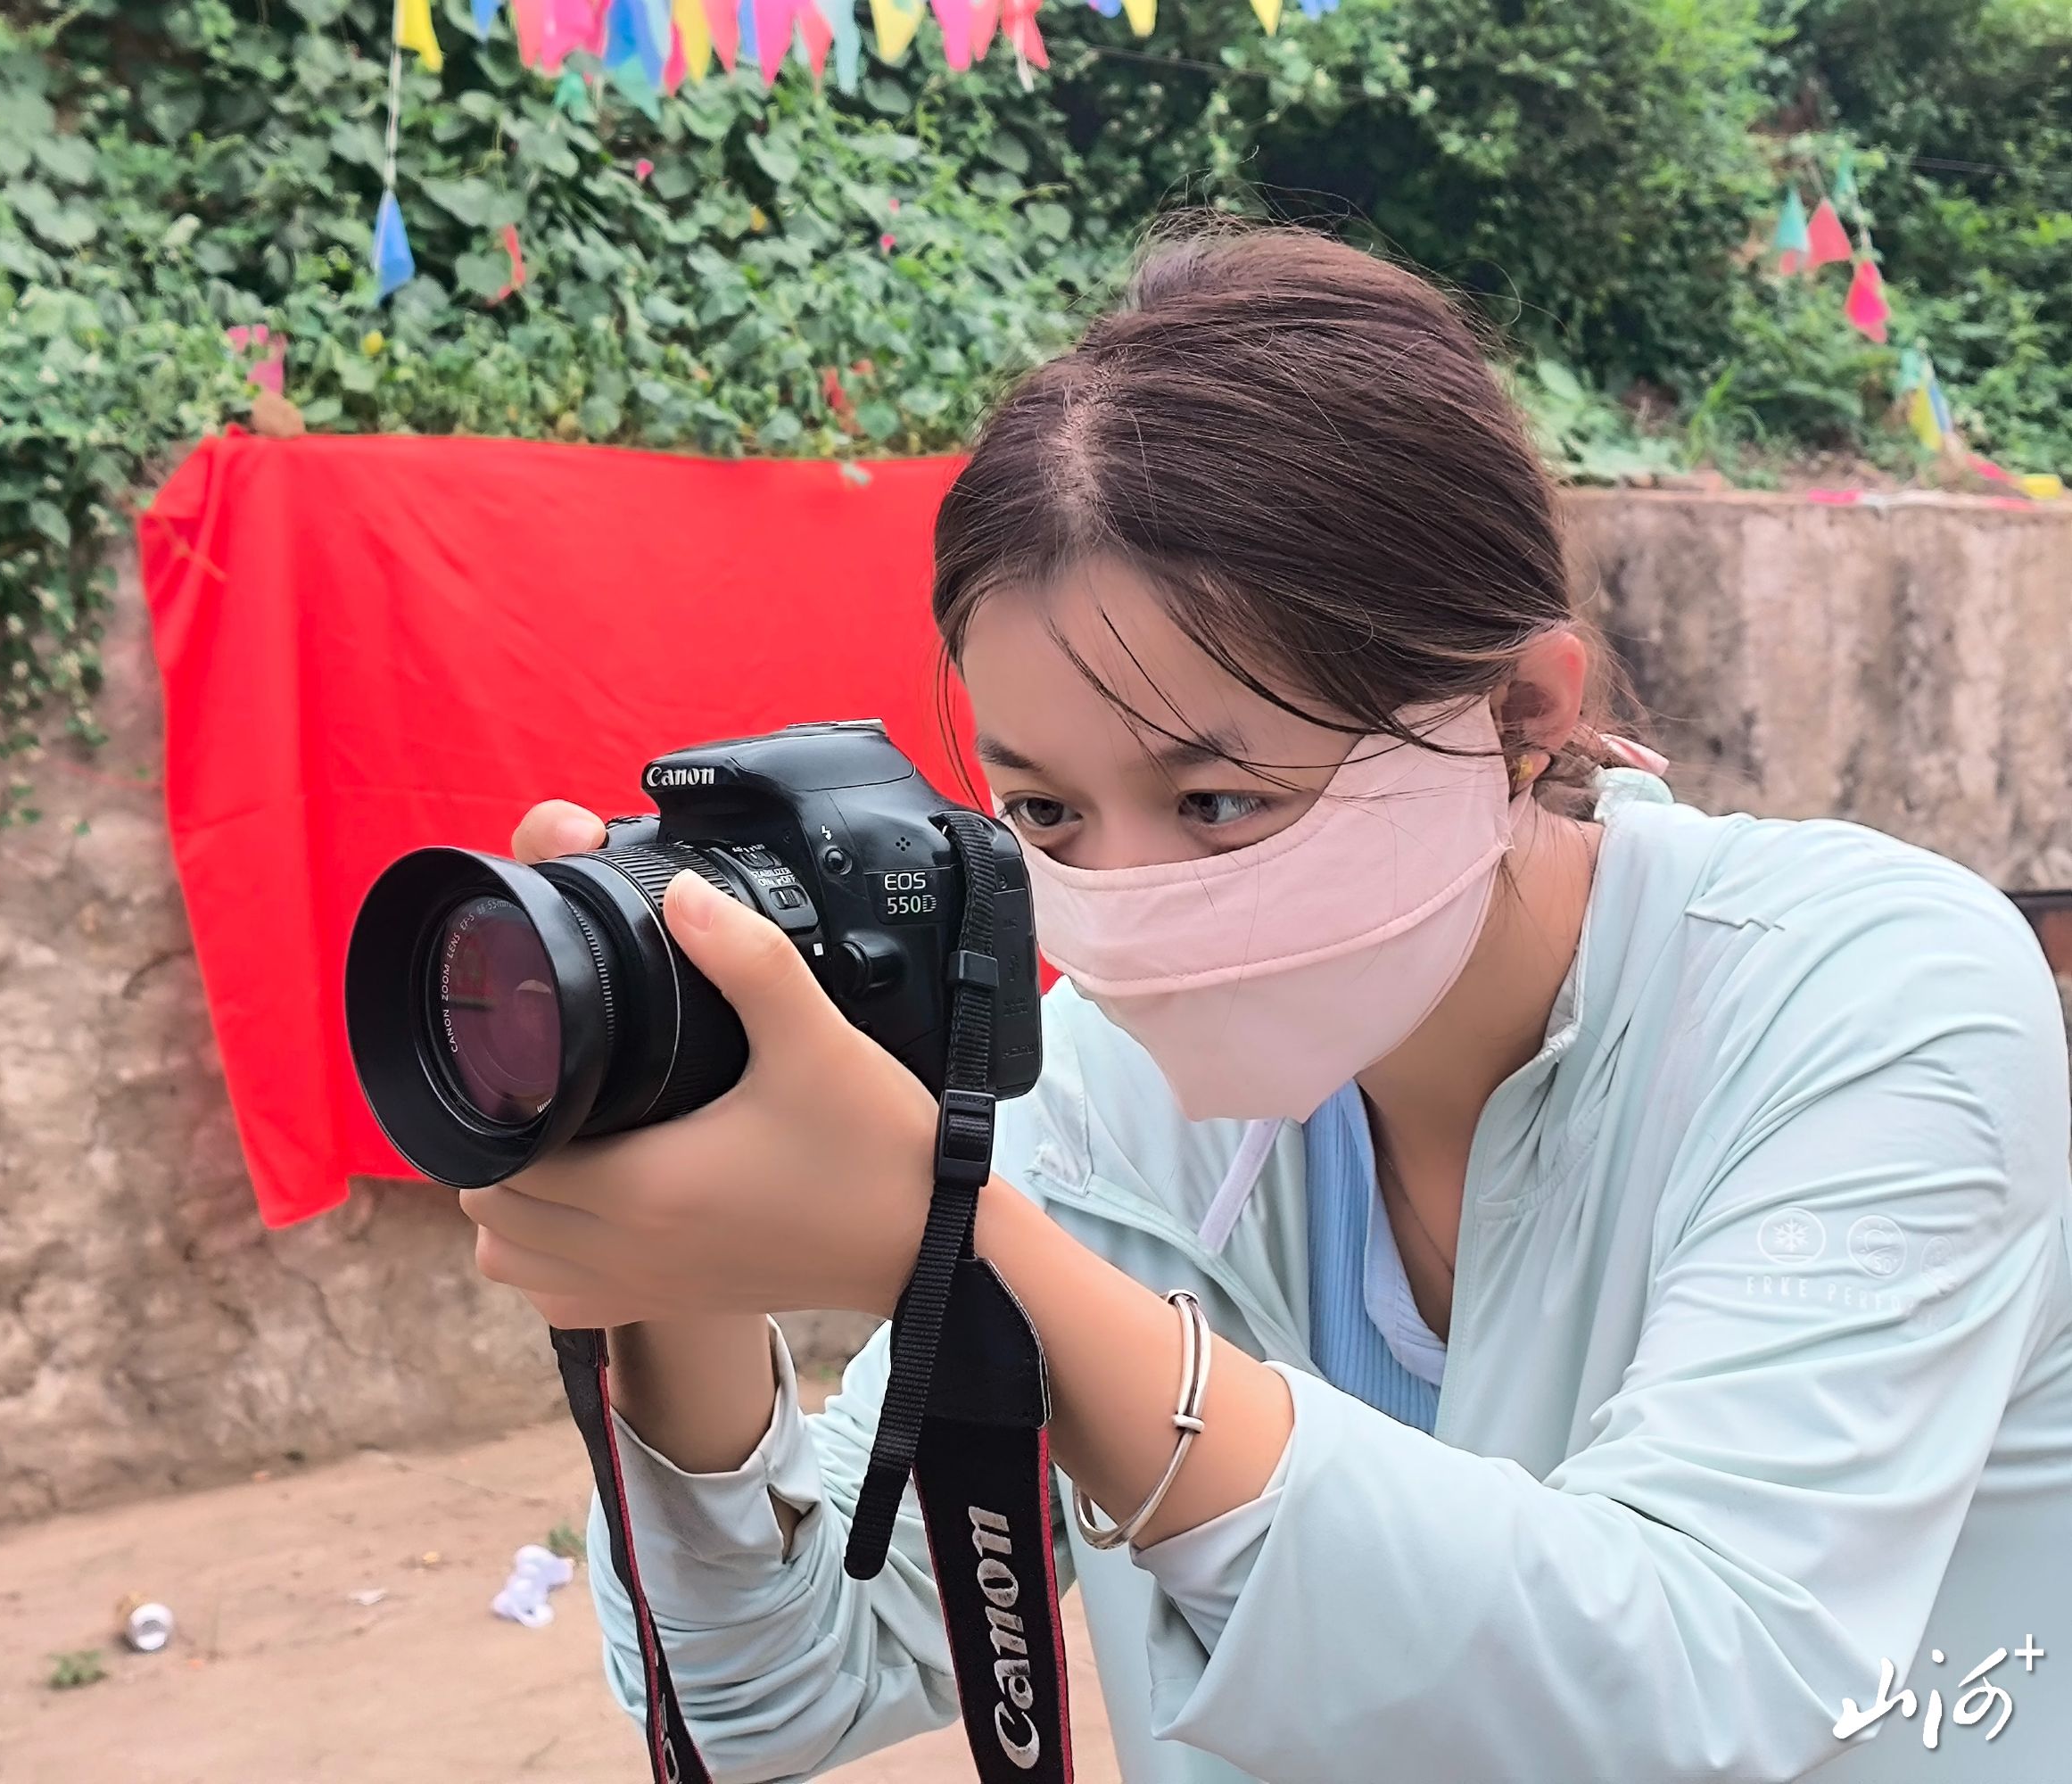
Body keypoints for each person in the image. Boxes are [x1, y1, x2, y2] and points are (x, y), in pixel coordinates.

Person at [461, 225, 2072, 1783]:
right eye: (1047, 814)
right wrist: (665, 1237)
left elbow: (1702, 1682)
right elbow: (776, 1696)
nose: (1132, 908)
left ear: (1518, 714)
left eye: (1219, 802)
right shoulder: (1102, 1096)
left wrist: (965, 1250)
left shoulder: (1868, 997)